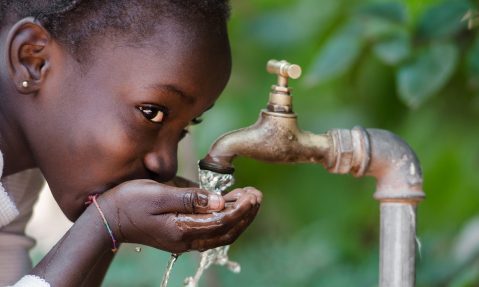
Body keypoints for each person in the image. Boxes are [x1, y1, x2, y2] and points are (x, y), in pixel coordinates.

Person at [0, 0, 263, 286]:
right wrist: (107, 222)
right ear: (33, 60)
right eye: (152, 112)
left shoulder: (17, 172)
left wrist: (113, 224)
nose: (165, 164)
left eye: (186, 127)